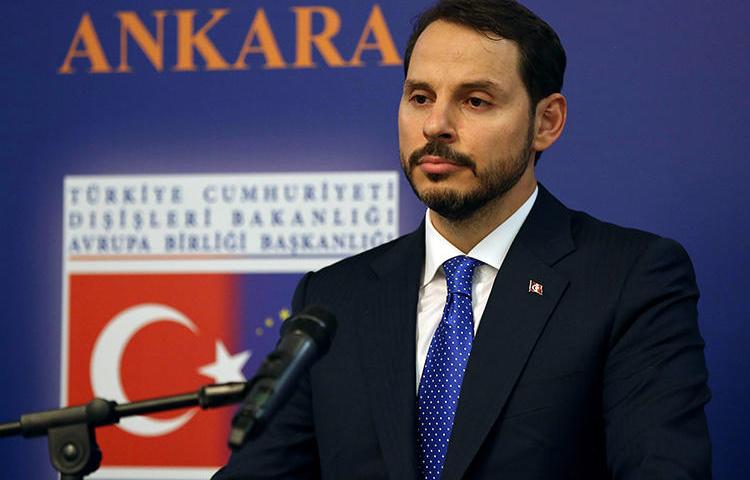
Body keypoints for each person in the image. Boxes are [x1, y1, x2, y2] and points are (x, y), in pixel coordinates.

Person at [213, 0, 711, 478]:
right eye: (420, 97)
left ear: (547, 122)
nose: (436, 125)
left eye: (475, 101)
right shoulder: (332, 299)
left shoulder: (629, 279)